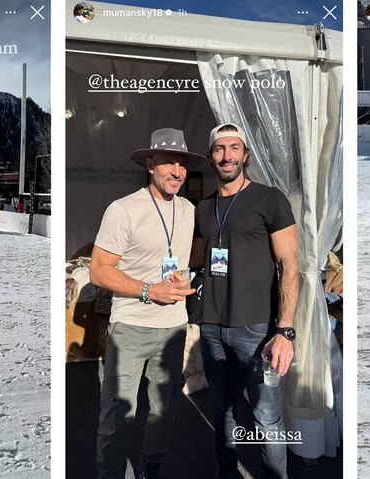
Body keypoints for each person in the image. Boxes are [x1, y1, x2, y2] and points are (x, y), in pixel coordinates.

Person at [92, 128, 203, 479]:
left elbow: (187, 257)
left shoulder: (188, 210)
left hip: (173, 328)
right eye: (168, 161)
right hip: (129, 327)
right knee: (117, 415)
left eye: (182, 163)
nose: (176, 170)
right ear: (150, 165)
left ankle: (150, 468)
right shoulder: (123, 209)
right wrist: (147, 290)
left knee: (163, 411)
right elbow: (98, 271)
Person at [191, 124, 299, 479]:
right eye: (220, 149)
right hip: (211, 327)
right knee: (222, 409)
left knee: (265, 416)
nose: (227, 156)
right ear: (211, 157)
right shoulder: (203, 209)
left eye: (234, 148)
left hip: (256, 329)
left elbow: (289, 266)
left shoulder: (270, 199)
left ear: (246, 155)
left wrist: (285, 331)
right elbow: (194, 261)